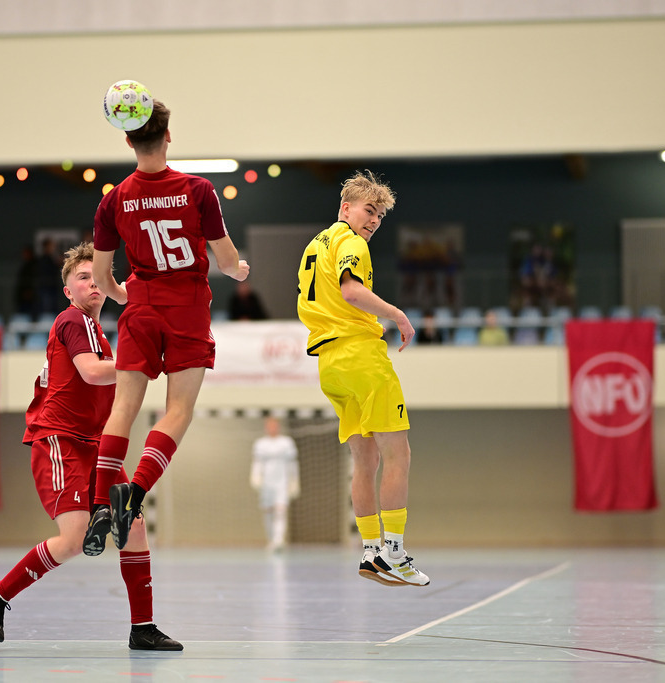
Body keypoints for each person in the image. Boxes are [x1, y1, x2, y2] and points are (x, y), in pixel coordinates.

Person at [0, 243, 181, 650]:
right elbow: (90, 374)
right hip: (61, 440)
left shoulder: (100, 333)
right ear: (68, 290)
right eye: (82, 277)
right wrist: (144, 363)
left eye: (96, 276)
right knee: (71, 539)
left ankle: (143, 628)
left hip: (96, 445)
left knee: (134, 526)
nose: (91, 283)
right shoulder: (74, 320)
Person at [89, 96, 250, 552]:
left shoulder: (114, 199)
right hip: (188, 306)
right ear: (168, 135)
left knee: (123, 408)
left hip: (140, 306)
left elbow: (102, 277)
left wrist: (130, 297)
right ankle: (133, 495)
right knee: (177, 410)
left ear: (127, 139)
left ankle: (101, 502)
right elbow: (226, 260)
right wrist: (239, 270)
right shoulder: (198, 190)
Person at [296, 170, 429, 587]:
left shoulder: (314, 246)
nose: (373, 221)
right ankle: (394, 551)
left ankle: (370, 551)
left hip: (329, 364)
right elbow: (352, 292)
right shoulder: (351, 243)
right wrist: (397, 314)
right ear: (346, 208)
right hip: (360, 355)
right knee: (398, 454)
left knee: (365, 459)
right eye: (369, 211)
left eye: (380, 216)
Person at [250, 416, 299, 552]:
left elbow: (292, 463)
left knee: (280, 510)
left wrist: (294, 480)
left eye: (274, 425)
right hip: (266, 482)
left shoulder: (286, 443)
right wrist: (255, 477)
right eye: (269, 425)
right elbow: (257, 463)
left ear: (278, 426)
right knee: (268, 510)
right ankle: (271, 539)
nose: (272, 428)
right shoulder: (260, 444)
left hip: (282, 481)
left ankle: (279, 540)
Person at [14, 244, 39, 316]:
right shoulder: (24, 265)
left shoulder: (34, 265)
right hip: (21, 297)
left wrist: (30, 291)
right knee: (22, 315)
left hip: (31, 297)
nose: (24, 255)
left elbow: (33, 280)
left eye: (26, 253)